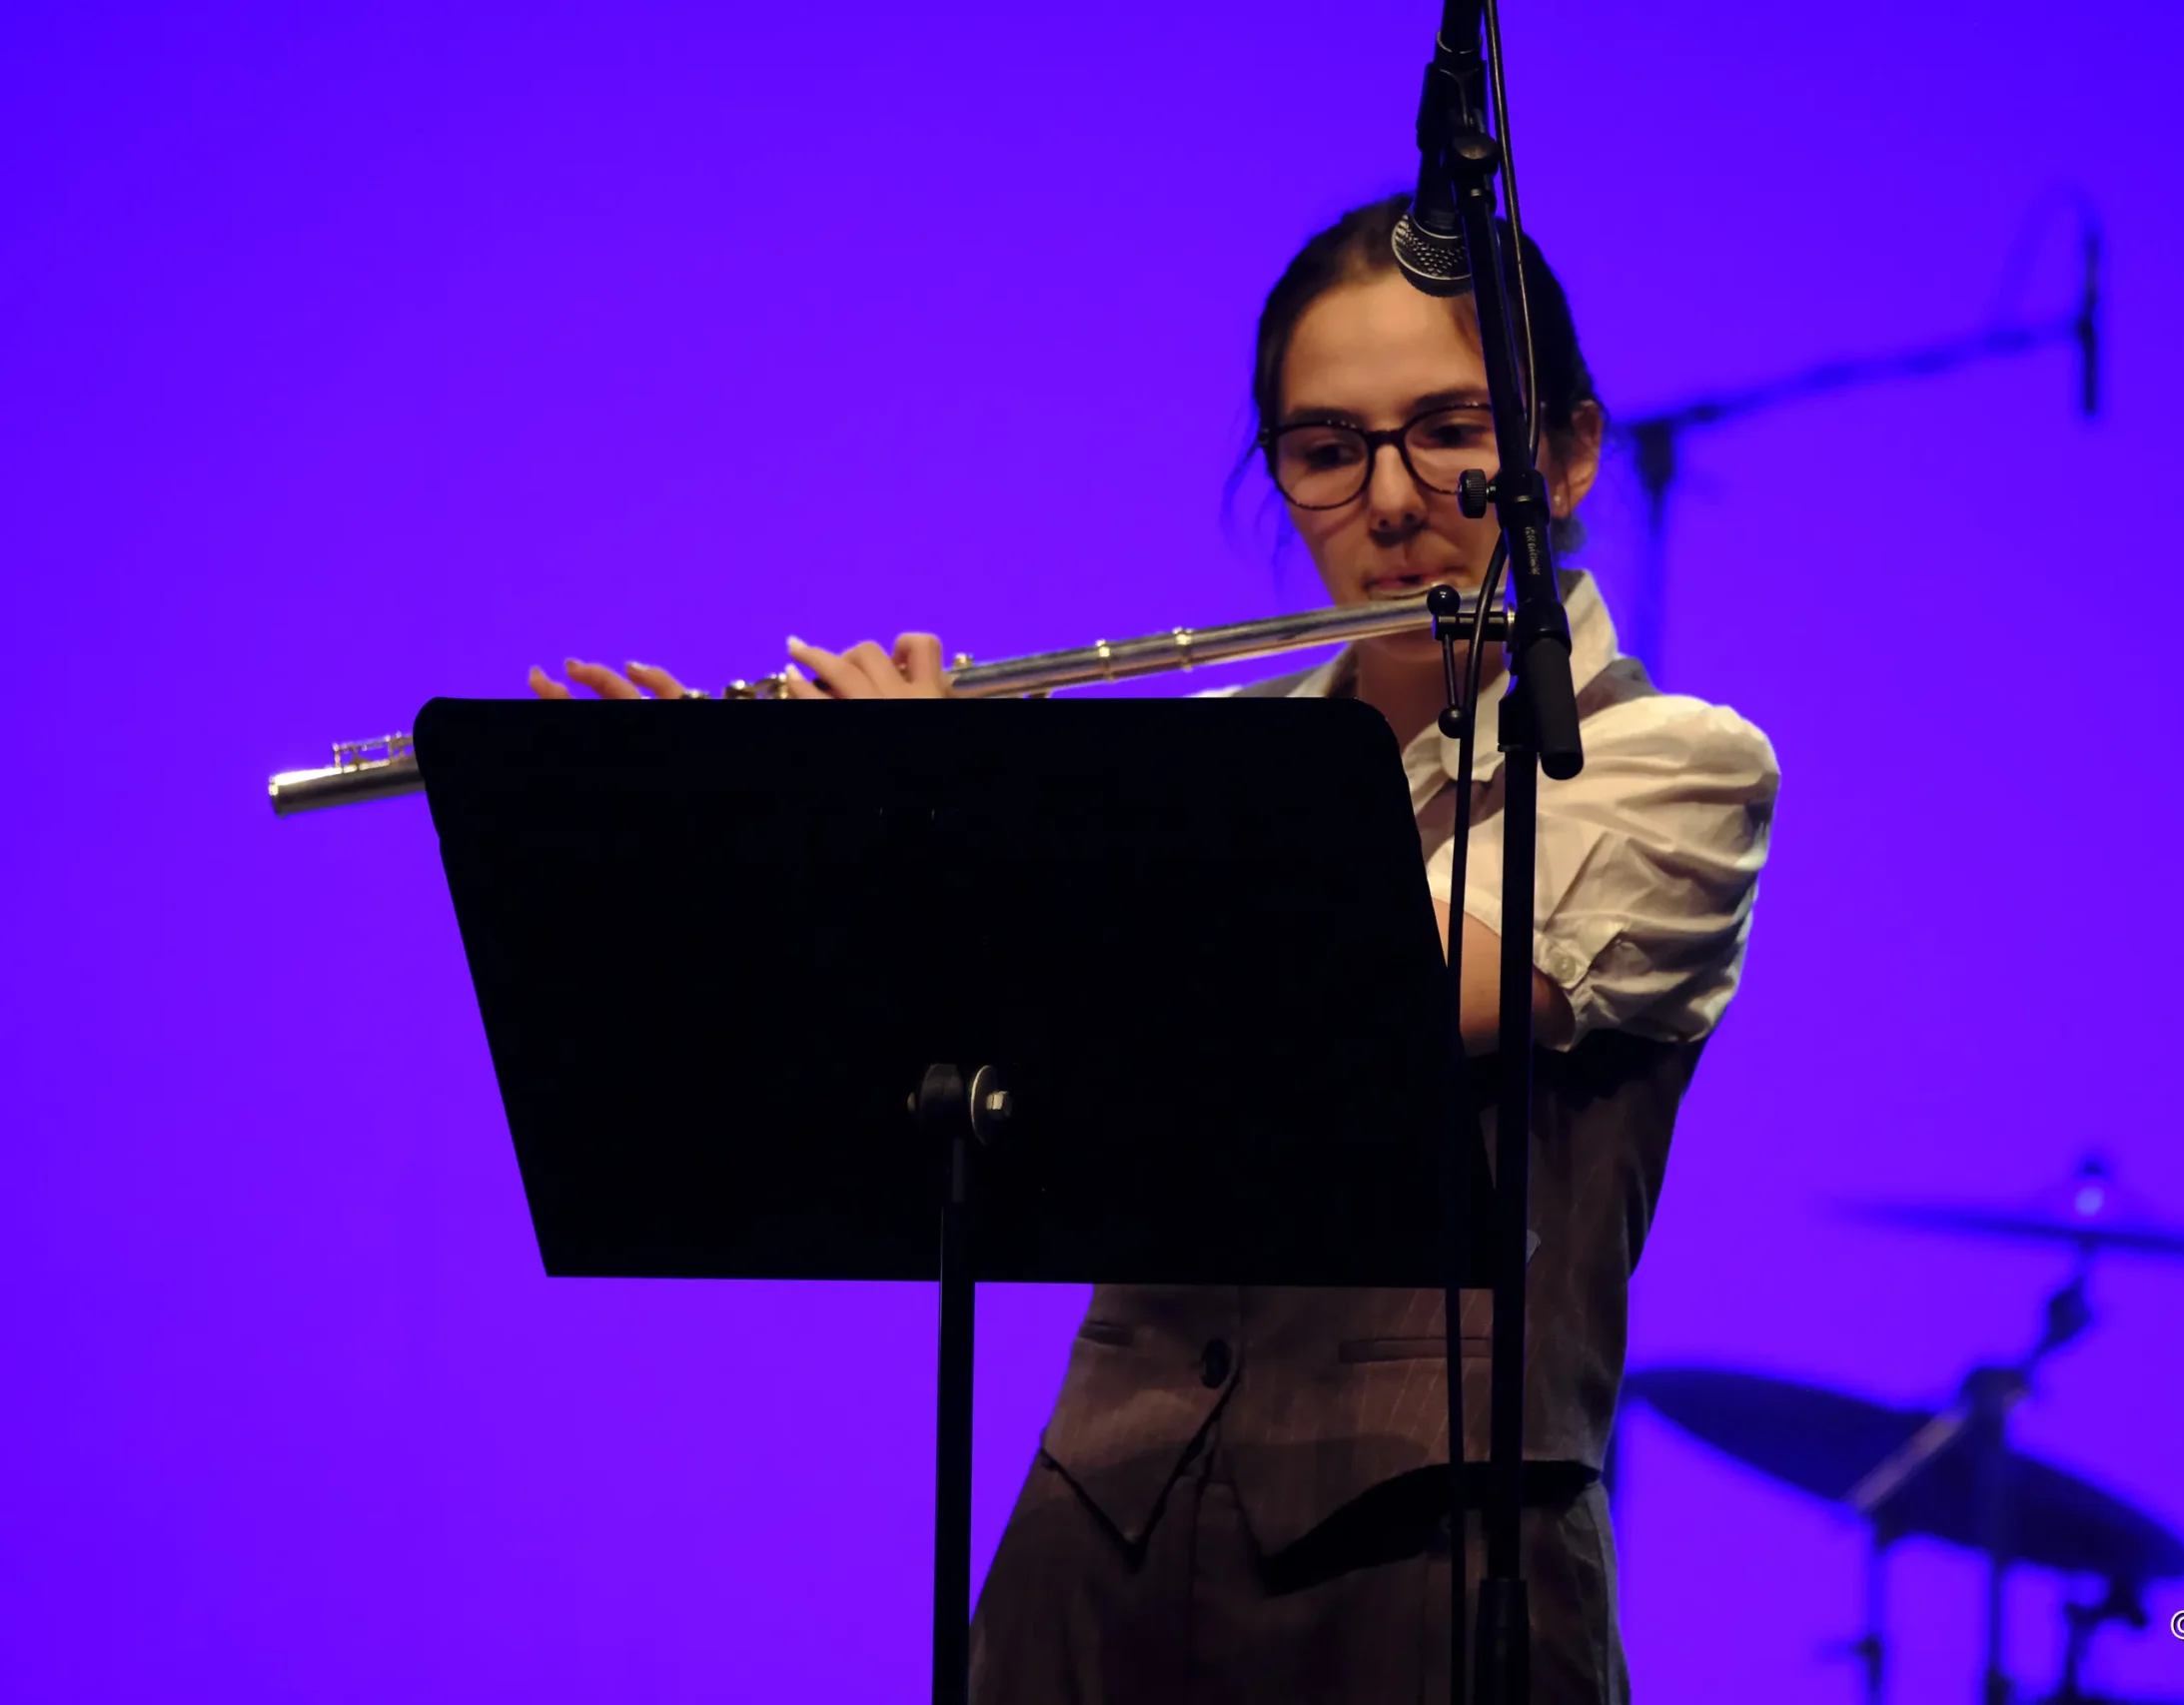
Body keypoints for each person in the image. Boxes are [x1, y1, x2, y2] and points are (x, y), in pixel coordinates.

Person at [534, 195, 1778, 1704]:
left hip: (1432, 1571)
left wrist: (971, 804)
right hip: (1089, 1544)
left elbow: (1364, 986)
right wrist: (747, 822)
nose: (1391, 502)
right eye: (1327, 450)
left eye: (1450, 431)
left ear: (1565, 455)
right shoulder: (1204, 756)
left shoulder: (1672, 765)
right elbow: (951, 1029)